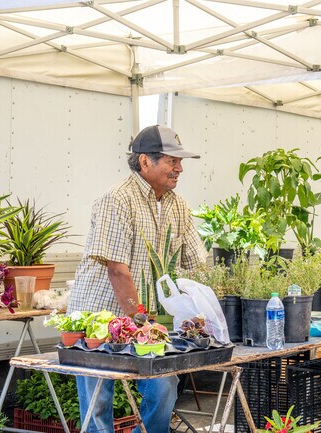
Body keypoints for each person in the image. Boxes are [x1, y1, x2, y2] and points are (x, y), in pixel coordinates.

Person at [68, 124, 208, 433]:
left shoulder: (177, 205)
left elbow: (197, 264)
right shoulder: (117, 199)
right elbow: (117, 269)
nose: (180, 168)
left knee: (164, 387)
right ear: (145, 162)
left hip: (144, 318)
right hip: (99, 316)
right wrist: (142, 324)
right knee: (98, 402)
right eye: (173, 161)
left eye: (180, 162)